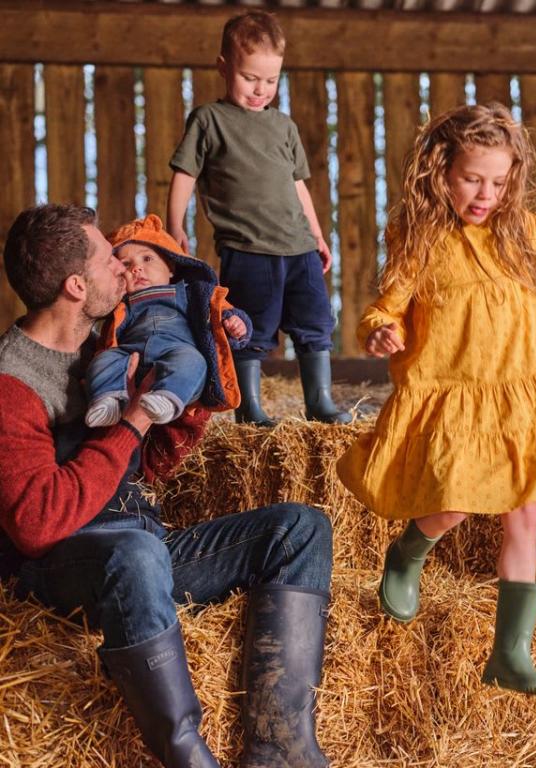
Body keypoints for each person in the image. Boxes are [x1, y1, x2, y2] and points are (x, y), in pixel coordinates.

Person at [0, 204, 335, 768]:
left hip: (142, 549)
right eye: (111, 260)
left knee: (299, 527)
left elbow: (135, 469)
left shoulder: (107, 345)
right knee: (133, 553)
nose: (125, 270)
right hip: (60, 567)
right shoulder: (13, 383)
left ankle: (281, 749)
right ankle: (187, 754)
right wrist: (131, 420)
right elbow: (36, 524)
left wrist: (183, 406)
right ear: (77, 285)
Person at [336, 103, 536, 696]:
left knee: (524, 511)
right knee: (453, 503)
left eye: (499, 182)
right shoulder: (420, 239)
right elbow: (387, 304)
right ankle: (409, 550)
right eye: (472, 179)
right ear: (440, 171)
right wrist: (379, 329)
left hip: (521, 389)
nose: (486, 194)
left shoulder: (513, 230)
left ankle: (510, 651)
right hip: (457, 392)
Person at [166, 10, 350, 427]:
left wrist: (318, 234)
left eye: (270, 80)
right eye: (250, 78)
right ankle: (250, 407)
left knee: (315, 321)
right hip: (247, 249)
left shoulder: (283, 126)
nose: (260, 89)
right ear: (224, 67)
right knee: (249, 328)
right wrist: (175, 225)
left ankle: (319, 401)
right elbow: (184, 175)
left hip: (298, 246)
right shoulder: (209, 120)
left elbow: (298, 184)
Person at [85, 214, 251, 428]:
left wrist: (234, 323)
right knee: (105, 359)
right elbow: (106, 337)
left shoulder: (190, 293)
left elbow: (218, 310)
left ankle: (167, 398)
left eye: (147, 259)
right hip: (131, 357)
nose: (136, 268)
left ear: (171, 264)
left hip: (177, 353)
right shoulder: (122, 304)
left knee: (194, 361)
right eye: (126, 264)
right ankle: (109, 400)